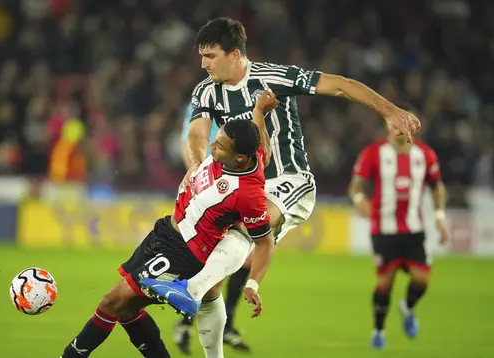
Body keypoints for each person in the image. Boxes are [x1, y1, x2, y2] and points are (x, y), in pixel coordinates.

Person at [142, 16, 423, 352]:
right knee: (215, 272)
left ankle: (191, 288)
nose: (203, 64)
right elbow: (197, 133)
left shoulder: (274, 78)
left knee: (246, 230)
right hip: (240, 185)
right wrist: (194, 165)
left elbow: (340, 84)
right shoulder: (206, 90)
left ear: (235, 54)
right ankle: (205, 321)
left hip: (290, 181)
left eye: (210, 56)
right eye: (201, 56)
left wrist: (389, 111)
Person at [59, 91, 279, 358]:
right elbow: (262, 148)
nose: (212, 147)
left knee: (111, 303)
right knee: (127, 310)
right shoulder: (247, 150)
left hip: (184, 253)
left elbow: (265, 242)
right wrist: (259, 109)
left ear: (240, 158)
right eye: (215, 140)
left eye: (219, 147)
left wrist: (253, 284)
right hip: (165, 231)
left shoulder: (248, 194)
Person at [349, 129, 448, 349]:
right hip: (383, 230)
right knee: (385, 283)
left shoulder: (425, 154)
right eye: (395, 124)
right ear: (388, 127)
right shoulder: (373, 152)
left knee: (422, 280)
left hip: (414, 231)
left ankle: (407, 307)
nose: (400, 128)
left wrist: (440, 217)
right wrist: (358, 199)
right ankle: (379, 332)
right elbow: (356, 184)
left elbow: (437, 186)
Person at [177, 103, 253, 354]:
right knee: (220, 263)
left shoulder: (246, 106)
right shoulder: (204, 104)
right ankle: (189, 320)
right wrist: (196, 170)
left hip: (233, 184)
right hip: (210, 191)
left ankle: (199, 321)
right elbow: (189, 140)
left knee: (239, 261)